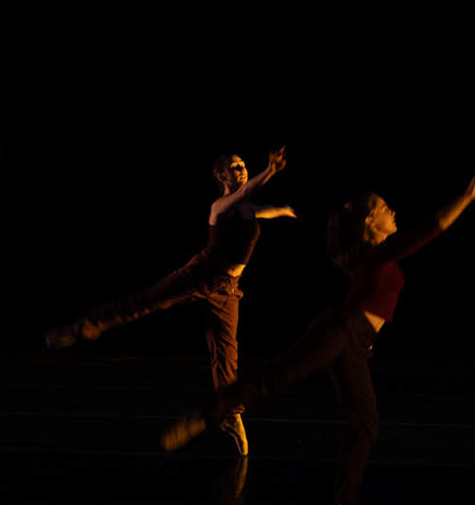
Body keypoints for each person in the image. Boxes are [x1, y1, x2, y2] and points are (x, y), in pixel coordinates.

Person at [163, 162, 475, 505]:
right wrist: (466, 197)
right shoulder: (378, 253)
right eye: (385, 209)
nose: (393, 212)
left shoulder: (373, 253)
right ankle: (205, 415)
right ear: (370, 222)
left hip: (357, 343)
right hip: (341, 329)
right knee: (278, 377)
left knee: (366, 422)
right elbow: (429, 229)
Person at [46, 148, 297, 454]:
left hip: (227, 288)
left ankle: (229, 413)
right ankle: (81, 328)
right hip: (200, 275)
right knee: (144, 302)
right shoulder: (220, 206)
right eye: (235, 167)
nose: (242, 170)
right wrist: (270, 171)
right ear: (221, 176)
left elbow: (261, 209)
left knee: (226, 353)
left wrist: (283, 210)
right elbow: (245, 192)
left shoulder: (247, 208)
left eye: (243, 165)